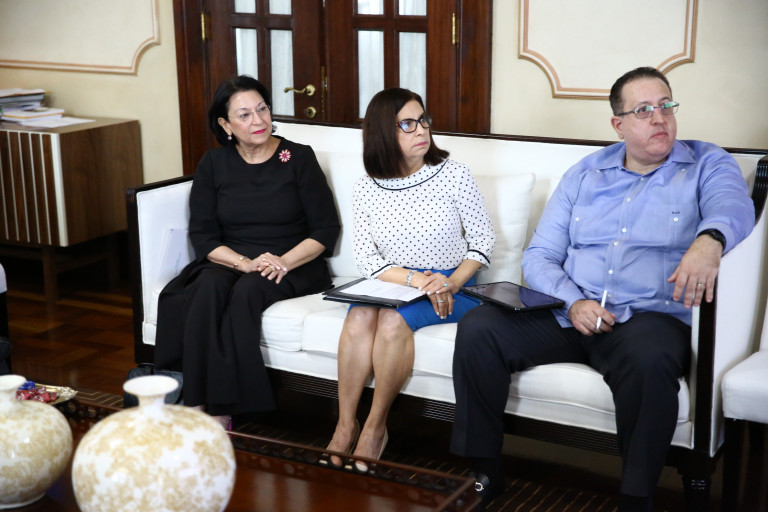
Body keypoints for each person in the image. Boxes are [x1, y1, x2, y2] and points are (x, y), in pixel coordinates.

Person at [450, 66, 755, 511]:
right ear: (619, 124)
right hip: (572, 311)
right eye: (644, 110)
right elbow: (540, 255)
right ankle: (483, 473)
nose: (660, 118)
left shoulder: (707, 162)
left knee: (649, 360)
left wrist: (710, 240)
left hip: (648, 318)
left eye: (666, 106)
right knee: (480, 328)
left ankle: (636, 498)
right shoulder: (585, 173)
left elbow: (734, 207)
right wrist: (575, 302)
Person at [154, 75, 340, 429]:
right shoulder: (214, 163)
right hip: (233, 258)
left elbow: (325, 229)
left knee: (248, 291)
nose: (258, 120)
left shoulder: (297, 158)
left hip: (293, 260)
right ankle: (194, 403)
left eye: (262, 109)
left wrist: (282, 262)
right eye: (244, 115)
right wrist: (242, 263)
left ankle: (230, 407)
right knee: (205, 288)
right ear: (225, 125)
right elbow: (203, 235)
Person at [324, 88, 496, 468]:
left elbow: (483, 242)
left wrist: (450, 282)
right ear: (383, 132)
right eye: (407, 124)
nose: (421, 130)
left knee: (391, 321)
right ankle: (344, 425)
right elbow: (367, 259)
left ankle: (375, 428)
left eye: (423, 120)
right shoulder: (367, 187)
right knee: (359, 317)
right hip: (396, 281)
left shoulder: (454, 174)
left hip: (452, 284)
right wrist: (415, 280)